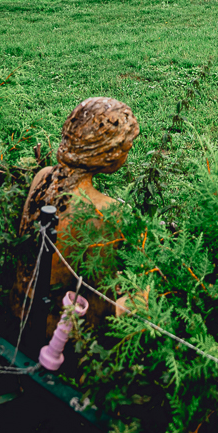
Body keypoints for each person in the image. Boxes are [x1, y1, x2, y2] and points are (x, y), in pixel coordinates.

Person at [14, 97, 138, 353]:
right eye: (127, 145)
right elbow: (103, 293)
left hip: (18, 312)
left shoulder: (43, 177)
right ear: (109, 153)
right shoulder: (105, 211)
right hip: (63, 335)